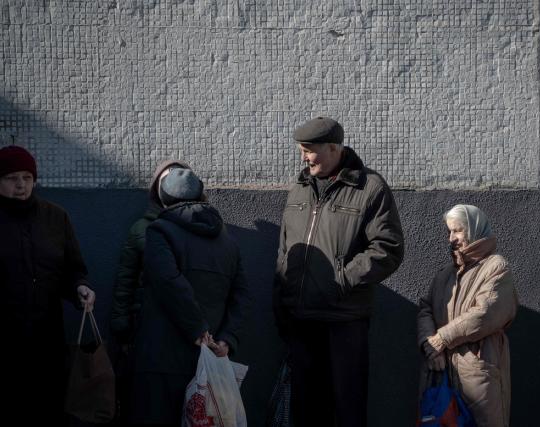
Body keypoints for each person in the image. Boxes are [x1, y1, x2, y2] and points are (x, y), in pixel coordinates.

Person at [273, 116, 404, 427]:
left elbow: (388, 248)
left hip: (343, 322)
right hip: (301, 321)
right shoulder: (299, 190)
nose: (303, 157)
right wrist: (281, 298)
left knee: (346, 409)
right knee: (305, 410)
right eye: (301, 150)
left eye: (309, 149)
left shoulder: (369, 187)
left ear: (333, 148)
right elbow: (284, 249)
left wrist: (339, 283)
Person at [130, 168, 250, 426]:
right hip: (211, 358)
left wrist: (197, 329)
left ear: (164, 199)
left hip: (162, 357)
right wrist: (227, 339)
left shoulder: (159, 231)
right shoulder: (227, 240)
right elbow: (241, 295)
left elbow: (168, 282)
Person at [0, 145, 96, 424]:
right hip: (6, 339)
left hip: (47, 338)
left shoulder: (55, 217)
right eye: (12, 178)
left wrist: (80, 288)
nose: (21, 185)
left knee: (48, 406)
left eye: (27, 177)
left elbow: (72, 268)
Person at [417, 204, 517, 427]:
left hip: (477, 373)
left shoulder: (496, 267)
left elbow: (484, 313)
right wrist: (430, 347)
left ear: (474, 228)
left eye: (458, 230)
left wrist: (441, 339)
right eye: (449, 232)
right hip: (441, 370)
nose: (451, 238)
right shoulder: (445, 273)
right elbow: (425, 308)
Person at [110, 159, 190, 425]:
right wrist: (121, 323)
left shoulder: (201, 227)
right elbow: (126, 279)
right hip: (144, 326)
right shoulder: (141, 229)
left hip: (185, 329)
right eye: (166, 180)